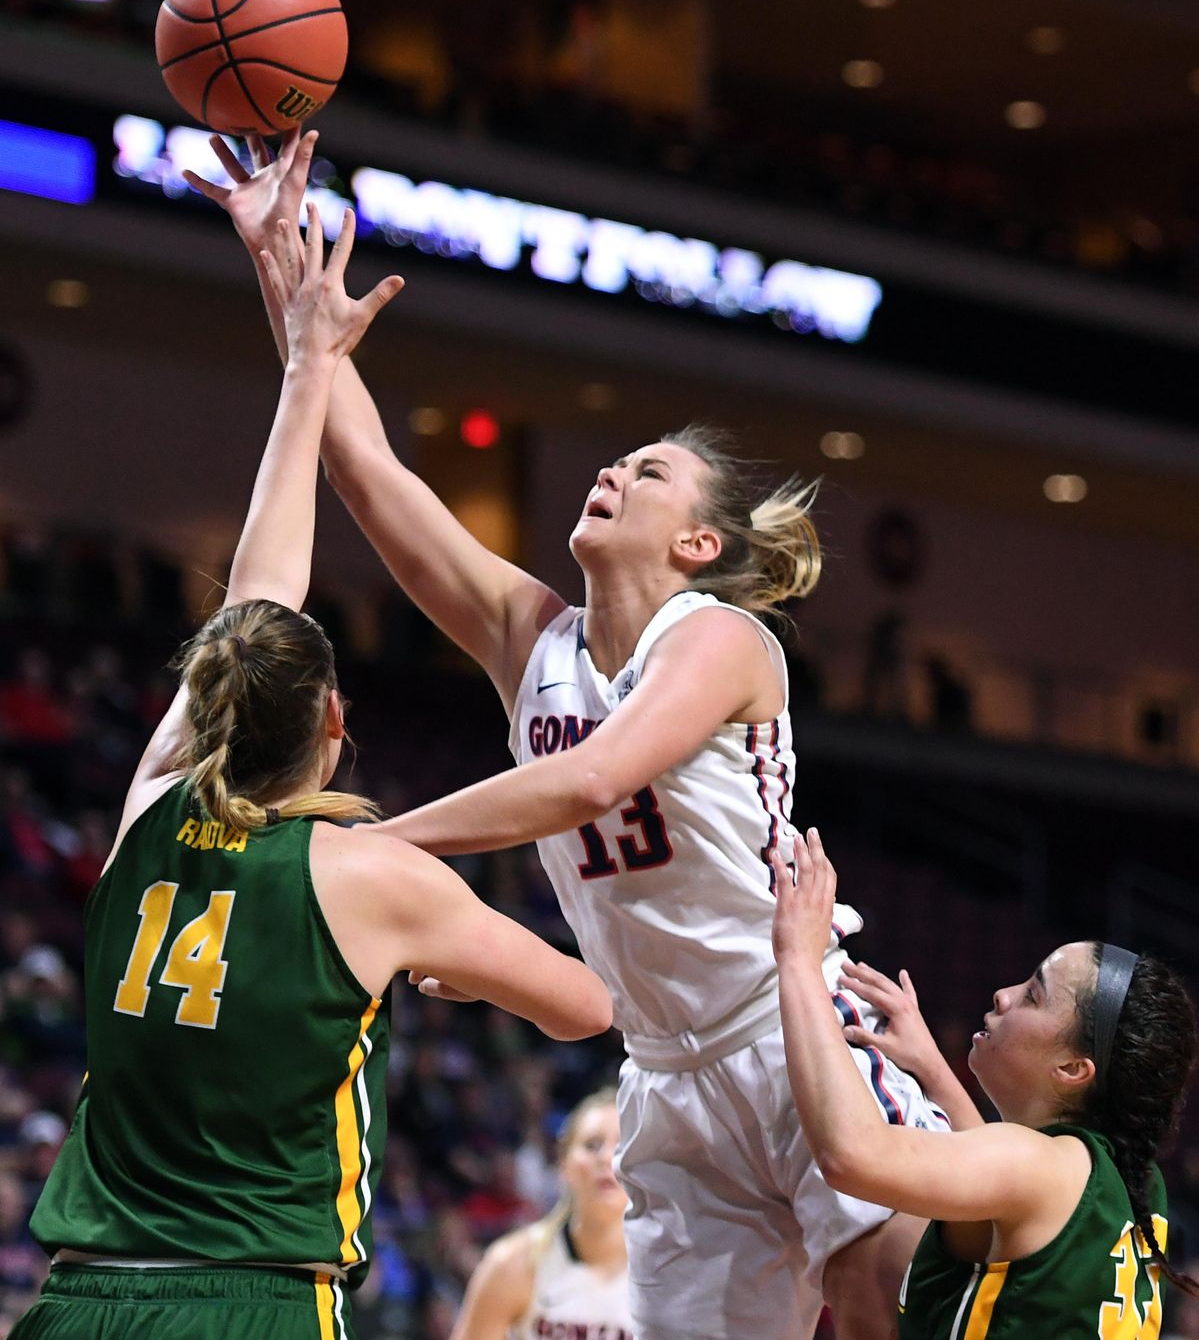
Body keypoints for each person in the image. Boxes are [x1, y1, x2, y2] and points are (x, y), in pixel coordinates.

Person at [188, 128, 945, 1340]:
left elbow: (588, 779)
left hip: (786, 1023)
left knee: (873, 1296)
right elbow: (368, 467)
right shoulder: (528, 639)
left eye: (647, 473)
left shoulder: (723, 640)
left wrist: (376, 847)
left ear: (697, 545)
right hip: (666, 1075)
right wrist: (287, 279)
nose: (613, 468)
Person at [12, 207, 611, 1340]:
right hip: (261, 1303)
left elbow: (258, 595)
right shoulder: (375, 879)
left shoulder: (143, 814)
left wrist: (305, 363)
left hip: (82, 1300)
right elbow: (587, 1006)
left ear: (210, 709)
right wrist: (457, 971)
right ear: (337, 720)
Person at [771, 825, 1199, 1338]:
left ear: (1072, 1070)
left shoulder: (1048, 1166)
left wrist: (797, 956)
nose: (1003, 994)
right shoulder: (1134, 1183)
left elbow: (851, 1155)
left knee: (878, 1244)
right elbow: (1004, 1184)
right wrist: (933, 1069)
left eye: (1034, 996)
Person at [451, 1088, 632, 1340]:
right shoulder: (511, 1264)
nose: (606, 1158)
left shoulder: (668, 1275)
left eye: (622, 1146)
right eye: (592, 1145)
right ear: (563, 1164)